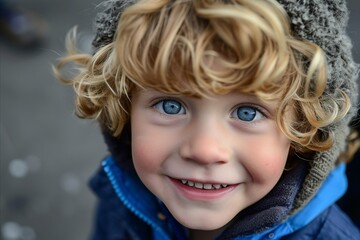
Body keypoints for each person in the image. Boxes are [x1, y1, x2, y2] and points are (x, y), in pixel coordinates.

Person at [54, 0, 360, 239]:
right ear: (123, 107)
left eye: (247, 112)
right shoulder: (122, 195)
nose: (204, 149)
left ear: (305, 128)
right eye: (171, 106)